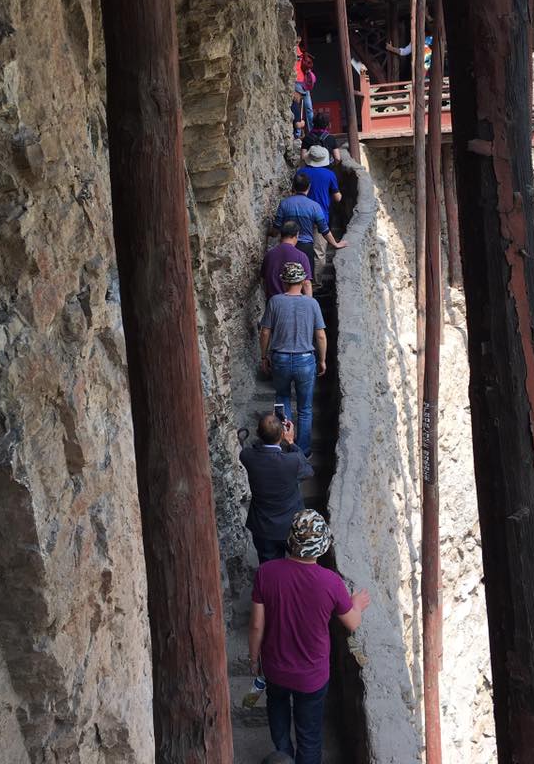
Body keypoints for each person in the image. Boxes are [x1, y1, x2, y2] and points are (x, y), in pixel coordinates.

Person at [249, 510, 371, 764]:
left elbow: (257, 626)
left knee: (279, 721)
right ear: (322, 546)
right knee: (310, 736)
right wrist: (356, 603)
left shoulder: (266, 573)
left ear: (290, 539)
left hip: (275, 669)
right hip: (311, 676)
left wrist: (254, 659)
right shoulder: (331, 582)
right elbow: (352, 622)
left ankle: (283, 758)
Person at [259, 263, 326, 457]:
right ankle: (303, 451)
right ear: (304, 280)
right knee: (305, 408)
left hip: (280, 358)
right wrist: (322, 360)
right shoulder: (312, 303)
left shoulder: (275, 301)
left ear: (283, 280)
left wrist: (264, 356)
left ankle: (283, 445)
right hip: (305, 360)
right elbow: (320, 335)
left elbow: (265, 332)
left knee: (283, 398)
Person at [240, 413, 314, 564]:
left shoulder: (247, 456)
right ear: (282, 434)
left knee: (269, 568)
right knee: (298, 566)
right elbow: (308, 472)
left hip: (263, 526)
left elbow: (254, 448)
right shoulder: (292, 461)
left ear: (257, 433)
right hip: (291, 526)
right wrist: (291, 442)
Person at [271, 173, 347, 279]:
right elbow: (324, 230)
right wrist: (335, 244)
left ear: (293, 186)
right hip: (305, 247)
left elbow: (276, 228)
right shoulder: (314, 206)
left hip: (286, 246)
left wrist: (271, 233)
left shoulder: (284, 203)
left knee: (285, 278)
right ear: (309, 187)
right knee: (305, 279)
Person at [298, 147, 342, 283]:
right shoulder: (329, 175)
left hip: (301, 215)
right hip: (321, 217)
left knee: (301, 250)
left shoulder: (301, 172)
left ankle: (300, 281)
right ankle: (315, 283)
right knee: (319, 252)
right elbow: (337, 198)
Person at [261, 220, 313, 300]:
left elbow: (264, 280)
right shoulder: (301, 256)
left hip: (273, 301)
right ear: (296, 235)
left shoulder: (269, 255)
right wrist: (309, 304)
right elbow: (306, 283)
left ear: (281, 235)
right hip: (294, 303)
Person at [293, 36, 315, 137]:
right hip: (300, 82)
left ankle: (298, 133)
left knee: (298, 108)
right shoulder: (300, 52)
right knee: (307, 108)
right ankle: (310, 132)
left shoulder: (298, 51)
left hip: (300, 82)